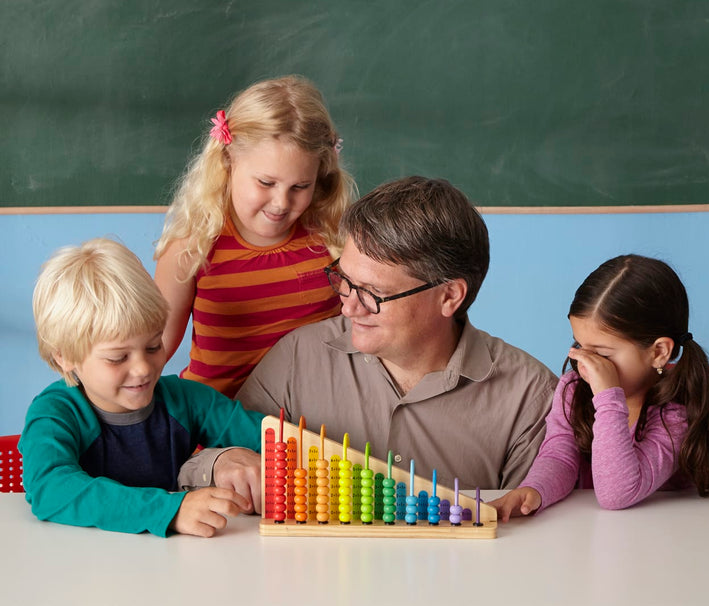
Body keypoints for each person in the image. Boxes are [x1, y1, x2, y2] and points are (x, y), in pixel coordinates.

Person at [182, 177, 557, 495]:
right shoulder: (298, 358)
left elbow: (541, 537)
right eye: (344, 281)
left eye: (373, 293)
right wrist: (221, 462)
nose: (348, 308)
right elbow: (206, 458)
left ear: (449, 296)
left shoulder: (530, 397)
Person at [19, 238, 266, 538]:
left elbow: (268, 437)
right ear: (65, 356)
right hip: (82, 570)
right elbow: (50, 489)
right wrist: (170, 510)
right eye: (118, 357)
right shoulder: (54, 413)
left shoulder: (184, 398)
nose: (143, 368)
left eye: (152, 346)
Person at [494, 254, 709, 522]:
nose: (586, 364)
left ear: (658, 352)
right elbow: (560, 457)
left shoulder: (675, 414)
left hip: (664, 538)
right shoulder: (573, 390)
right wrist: (534, 490)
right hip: (598, 535)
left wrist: (608, 398)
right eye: (579, 346)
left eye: (603, 354)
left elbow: (617, 494)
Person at [154, 75, 356, 398]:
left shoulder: (335, 241)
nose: (281, 203)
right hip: (220, 426)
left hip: (311, 427)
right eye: (265, 183)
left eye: (299, 187)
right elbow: (150, 351)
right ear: (228, 161)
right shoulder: (192, 249)